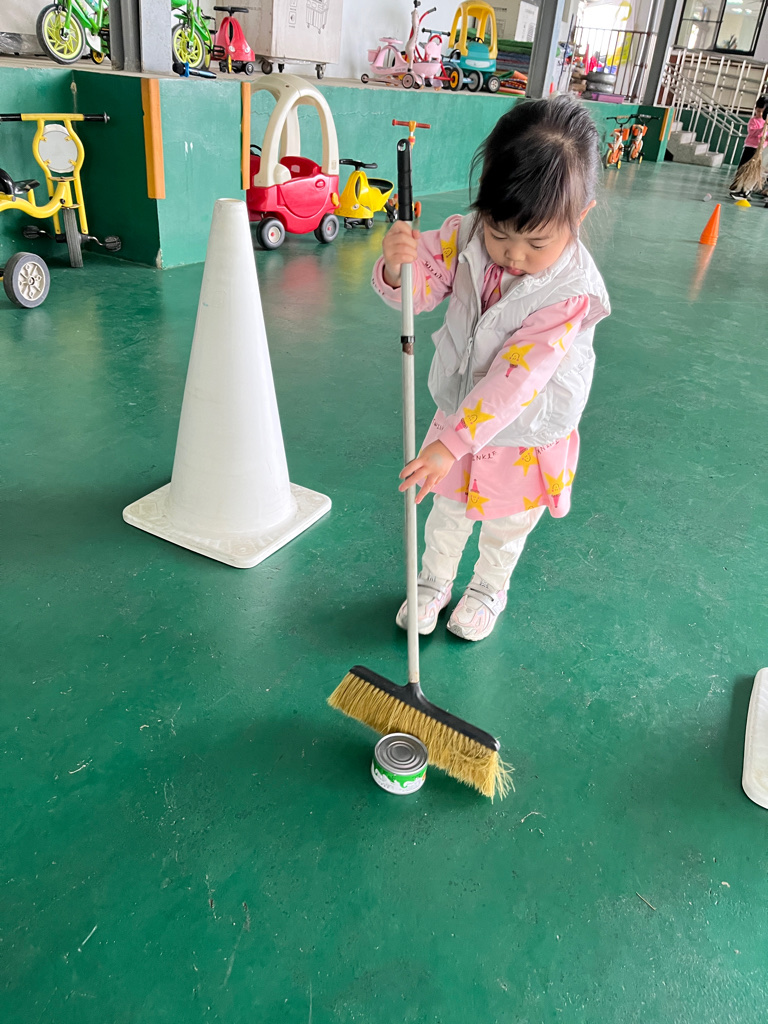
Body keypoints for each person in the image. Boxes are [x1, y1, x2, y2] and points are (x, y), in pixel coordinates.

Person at [371, 96, 610, 642]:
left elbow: (515, 382)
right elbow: (423, 287)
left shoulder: (568, 294)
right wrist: (398, 267)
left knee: (506, 524)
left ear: (579, 217)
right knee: (447, 509)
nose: (512, 254)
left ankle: (487, 589)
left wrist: (451, 443)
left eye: (536, 241)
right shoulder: (467, 234)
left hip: (525, 429)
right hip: (461, 412)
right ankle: (433, 581)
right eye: (500, 232)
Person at [730, 95, 767, 199]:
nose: (760, 114)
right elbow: (752, 132)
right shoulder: (753, 120)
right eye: (758, 111)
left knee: (754, 170)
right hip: (750, 147)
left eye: (762, 112)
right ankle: (737, 186)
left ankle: (746, 190)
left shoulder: (766, 122)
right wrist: (762, 129)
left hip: (760, 149)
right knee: (744, 166)